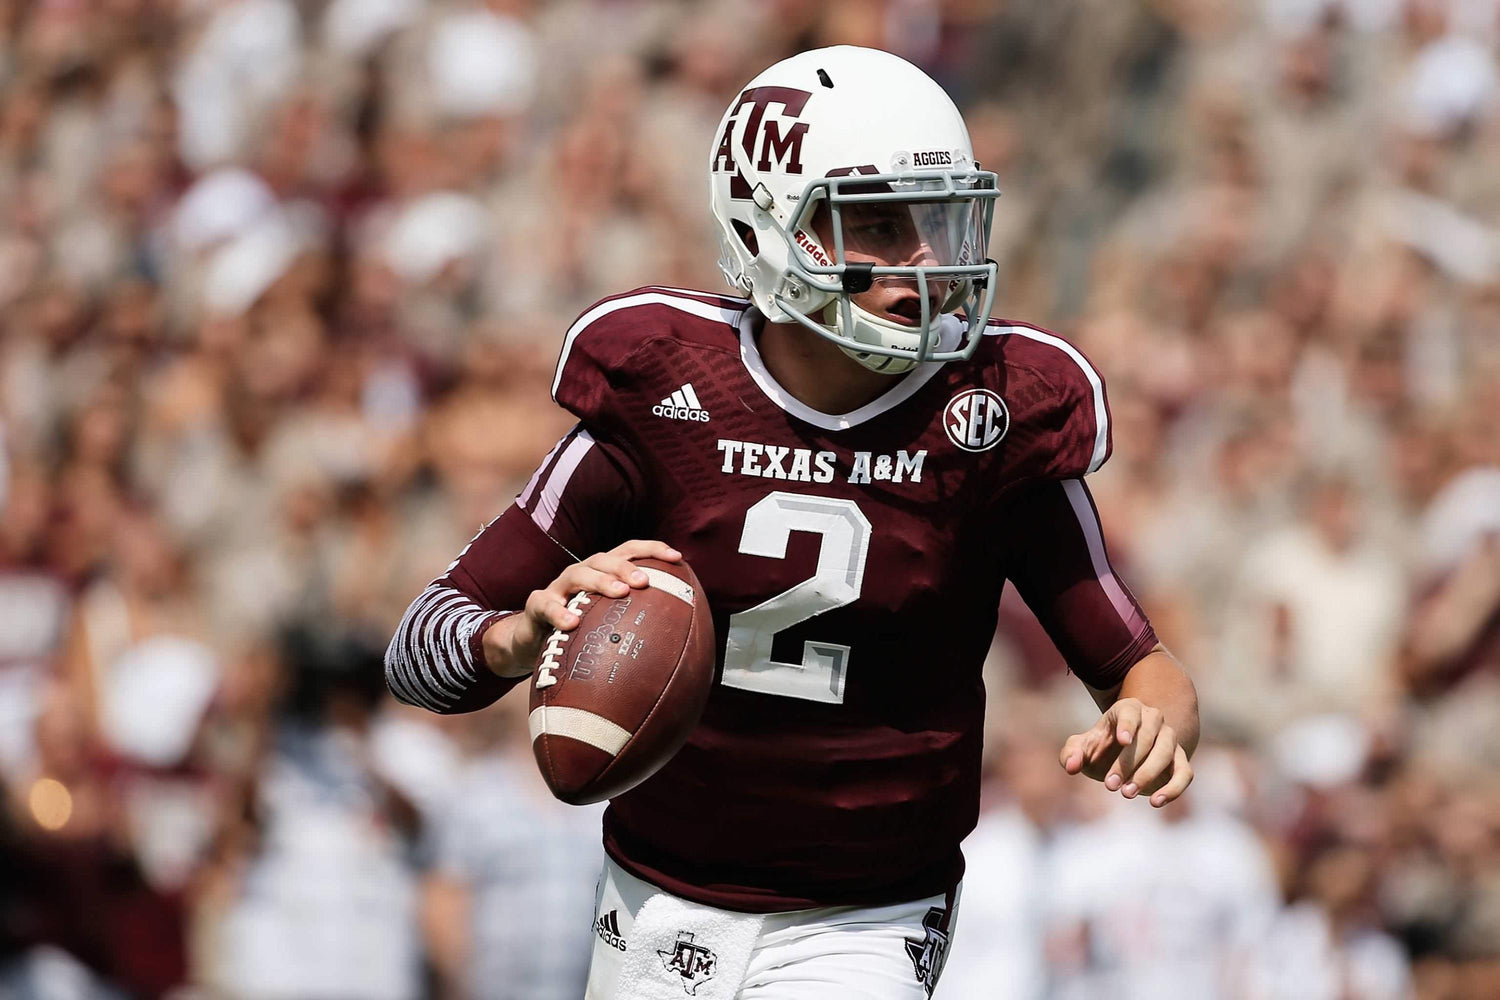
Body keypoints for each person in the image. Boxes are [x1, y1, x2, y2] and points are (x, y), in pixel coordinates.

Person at [385, 45, 1199, 1000]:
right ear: (770, 227)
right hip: (656, 893)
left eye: (939, 222)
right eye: (881, 226)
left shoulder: (994, 412)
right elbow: (416, 651)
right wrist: (520, 636)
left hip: (871, 912)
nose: (928, 262)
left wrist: (1155, 722)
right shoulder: (664, 385)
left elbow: (1145, 671)